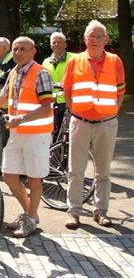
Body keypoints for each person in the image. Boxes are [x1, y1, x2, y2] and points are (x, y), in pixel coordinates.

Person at [0, 36, 54, 238]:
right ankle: (31, 214)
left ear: (33, 52)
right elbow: (2, 98)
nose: (18, 52)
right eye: (15, 49)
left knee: (34, 179)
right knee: (9, 176)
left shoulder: (41, 73)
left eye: (23, 49)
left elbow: (46, 108)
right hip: (16, 132)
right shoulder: (15, 71)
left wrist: (20, 119)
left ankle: (30, 218)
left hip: (35, 134)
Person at [63, 20, 125, 229]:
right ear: (85, 39)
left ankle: (101, 211)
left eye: (100, 36)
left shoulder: (115, 61)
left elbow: (121, 90)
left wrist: (113, 112)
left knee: (103, 171)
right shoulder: (75, 61)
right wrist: (75, 112)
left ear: (106, 40)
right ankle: (73, 212)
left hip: (107, 123)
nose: (96, 40)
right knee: (75, 170)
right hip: (80, 122)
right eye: (92, 36)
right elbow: (67, 90)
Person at [41, 32, 75, 141]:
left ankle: (67, 155)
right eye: (54, 42)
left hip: (69, 101)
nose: (56, 44)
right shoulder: (46, 62)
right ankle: (55, 155)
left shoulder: (73, 58)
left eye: (59, 42)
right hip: (52, 103)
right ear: (51, 45)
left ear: (65, 44)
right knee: (53, 133)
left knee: (69, 133)